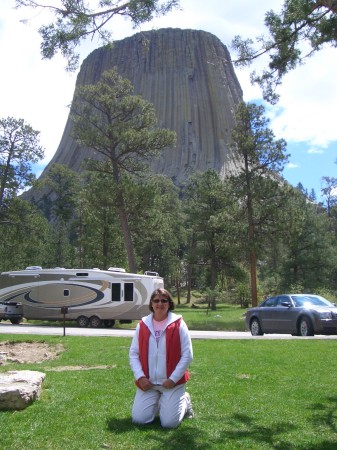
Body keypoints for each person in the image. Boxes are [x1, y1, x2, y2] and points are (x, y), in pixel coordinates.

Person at [129, 288, 194, 428]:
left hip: (171, 383)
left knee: (169, 424)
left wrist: (173, 379)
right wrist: (140, 377)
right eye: (156, 300)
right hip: (148, 383)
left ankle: (185, 401)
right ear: (151, 304)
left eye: (164, 300)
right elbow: (133, 354)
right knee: (139, 420)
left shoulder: (179, 324)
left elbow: (188, 355)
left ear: (169, 304)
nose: (160, 304)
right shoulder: (142, 325)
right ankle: (161, 402)